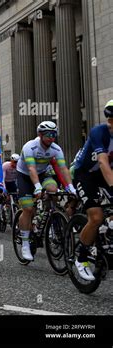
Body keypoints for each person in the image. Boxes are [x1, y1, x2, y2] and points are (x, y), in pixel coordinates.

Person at [16, 121, 75, 261]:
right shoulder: (30, 146)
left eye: (54, 134)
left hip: (42, 174)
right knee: (28, 209)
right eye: (48, 134)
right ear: (40, 134)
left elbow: (63, 169)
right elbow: (31, 169)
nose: (52, 137)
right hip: (24, 176)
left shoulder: (55, 149)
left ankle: (51, 217)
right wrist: (36, 186)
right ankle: (24, 243)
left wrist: (70, 187)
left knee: (53, 190)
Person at [70, 100, 113, 280]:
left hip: (104, 175)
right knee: (96, 217)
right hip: (84, 174)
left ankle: (106, 239)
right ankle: (82, 255)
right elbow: (103, 162)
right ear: (110, 120)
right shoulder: (99, 132)